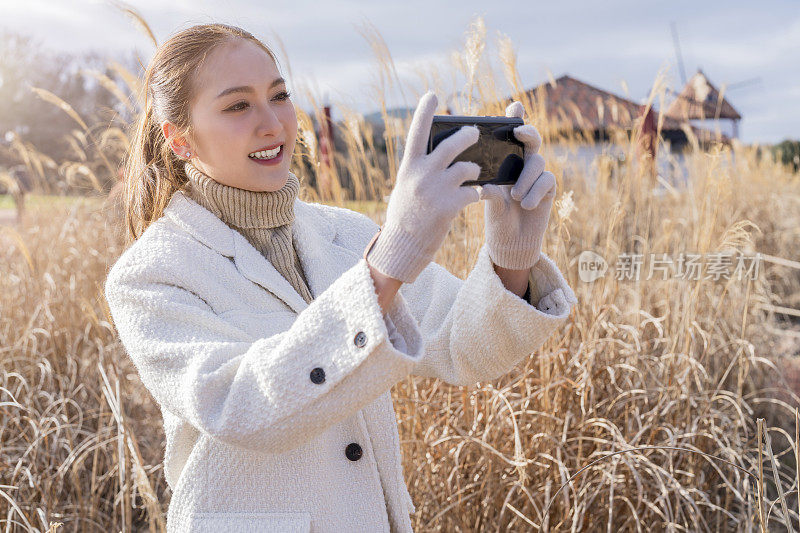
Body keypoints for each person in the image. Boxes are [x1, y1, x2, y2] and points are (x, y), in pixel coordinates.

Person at [104, 23, 578, 533]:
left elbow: (462, 347)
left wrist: (512, 249)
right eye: (238, 105)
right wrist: (389, 263)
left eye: (279, 95)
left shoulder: (346, 234)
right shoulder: (149, 275)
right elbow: (239, 408)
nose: (272, 123)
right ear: (179, 140)